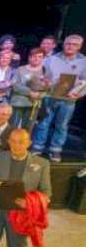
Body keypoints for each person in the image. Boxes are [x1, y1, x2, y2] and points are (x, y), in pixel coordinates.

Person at [32, 34, 86, 162]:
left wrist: (79, 93)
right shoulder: (51, 58)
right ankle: (37, 148)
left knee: (61, 125)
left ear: (80, 47)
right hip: (49, 97)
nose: (70, 46)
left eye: (74, 45)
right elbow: (41, 75)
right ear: (63, 44)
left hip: (69, 100)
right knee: (43, 123)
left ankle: (55, 150)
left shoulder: (84, 61)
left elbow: (85, 81)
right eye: (68, 43)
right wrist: (44, 82)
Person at [10, 48, 50, 129]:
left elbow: (48, 88)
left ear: (43, 58)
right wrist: (30, 92)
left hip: (34, 104)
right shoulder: (21, 69)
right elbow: (15, 85)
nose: (36, 59)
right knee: (12, 127)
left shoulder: (45, 71)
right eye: (34, 56)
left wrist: (40, 95)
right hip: (19, 102)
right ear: (29, 57)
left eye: (40, 57)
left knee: (28, 128)